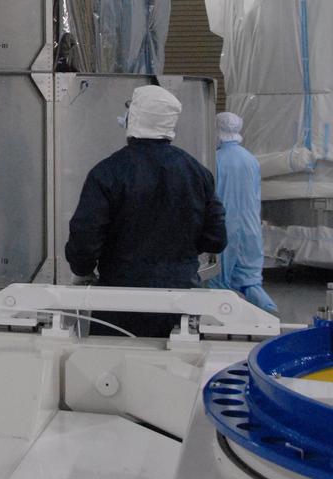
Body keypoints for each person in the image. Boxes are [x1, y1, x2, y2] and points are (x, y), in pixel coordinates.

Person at [65, 84, 227, 337]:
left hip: (118, 302)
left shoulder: (107, 172)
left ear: (135, 119)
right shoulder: (197, 173)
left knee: (109, 369)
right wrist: (177, 260)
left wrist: (82, 271)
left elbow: (85, 234)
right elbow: (216, 238)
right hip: (179, 299)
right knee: (179, 369)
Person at [209, 111, 277, 313]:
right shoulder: (251, 160)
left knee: (218, 279)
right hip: (249, 226)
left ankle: (221, 318)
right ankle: (267, 309)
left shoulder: (215, 160)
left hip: (224, 225)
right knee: (249, 278)